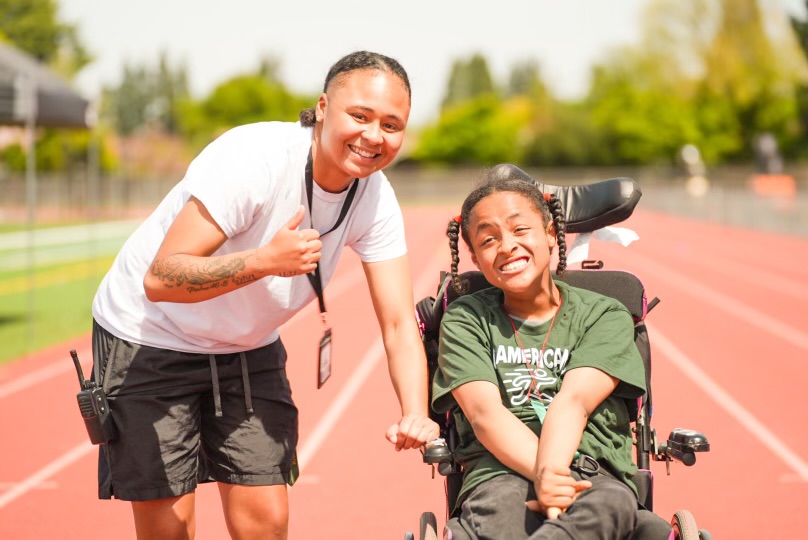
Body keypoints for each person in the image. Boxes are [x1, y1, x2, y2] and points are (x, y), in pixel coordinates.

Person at [89, 50, 439, 540]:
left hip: (245, 347)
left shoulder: (374, 196)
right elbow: (162, 278)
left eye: (391, 124)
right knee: (170, 528)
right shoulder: (254, 159)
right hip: (150, 336)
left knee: (266, 522)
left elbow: (400, 322)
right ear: (322, 107)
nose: (373, 136)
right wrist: (263, 261)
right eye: (359, 116)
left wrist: (415, 412)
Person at [431, 170, 672, 539]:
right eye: (489, 239)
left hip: (592, 468)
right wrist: (543, 475)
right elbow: (484, 414)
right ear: (476, 260)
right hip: (498, 473)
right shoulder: (466, 319)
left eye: (520, 230)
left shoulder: (604, 314)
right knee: (502, 510)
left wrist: (553, 475)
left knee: (610, 505)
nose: (507, 246)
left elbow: (573, 402)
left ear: (549, 235)